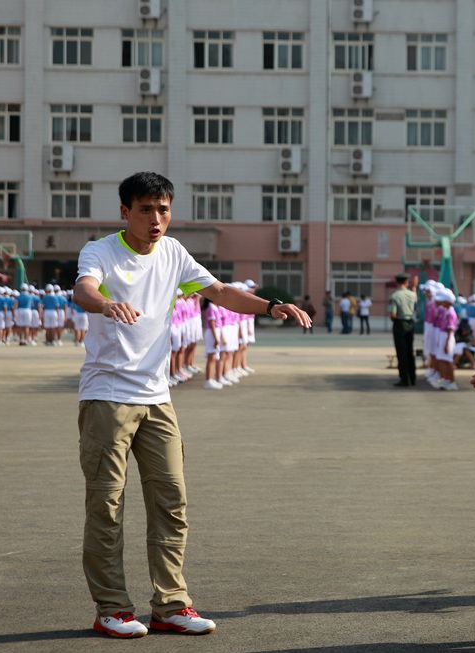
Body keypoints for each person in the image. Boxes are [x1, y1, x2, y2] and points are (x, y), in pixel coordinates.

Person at [72, 171, 312, 638]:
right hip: (107, 397)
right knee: (107, 505)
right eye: (145, 209)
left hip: (157, 397)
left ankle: (170, 605)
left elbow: (219, 292)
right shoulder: (100, 251)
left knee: (172, 502)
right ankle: (112, 609)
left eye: (163, 209)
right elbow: (85, 288)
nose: (156, 219)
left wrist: (270, 306)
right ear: (125, 212)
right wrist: (103, 304)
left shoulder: (174, 252)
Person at [390, 272, 418, 387]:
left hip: (400, 323)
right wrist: (414, 286)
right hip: (410, 323)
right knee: (410, 351)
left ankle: (404, 379)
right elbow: (415, 300)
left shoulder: (395, 296)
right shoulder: (412, 295)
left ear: (397, 282)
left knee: (401, 352)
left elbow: (392, 314)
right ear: (407, 283)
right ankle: (413, 378)